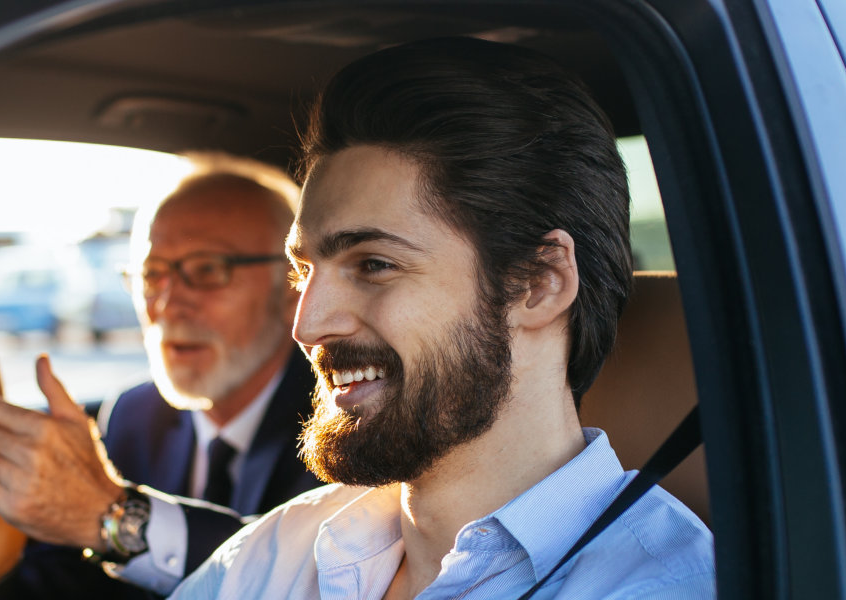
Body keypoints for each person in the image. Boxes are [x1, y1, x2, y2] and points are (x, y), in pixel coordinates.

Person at [170, 38, 714, 599]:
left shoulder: (662, 586)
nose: (307, 327)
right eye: (302, 271)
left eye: (375, 265)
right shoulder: (281, 550)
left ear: (538, 284)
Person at [0, 153, 325, 598]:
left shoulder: (340, 427)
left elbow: (310, 573)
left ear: (293, 286)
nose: (166, 305)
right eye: (151, 274)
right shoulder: (134, 416)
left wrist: (112, 514)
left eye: (207, 271)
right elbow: (58, 580)